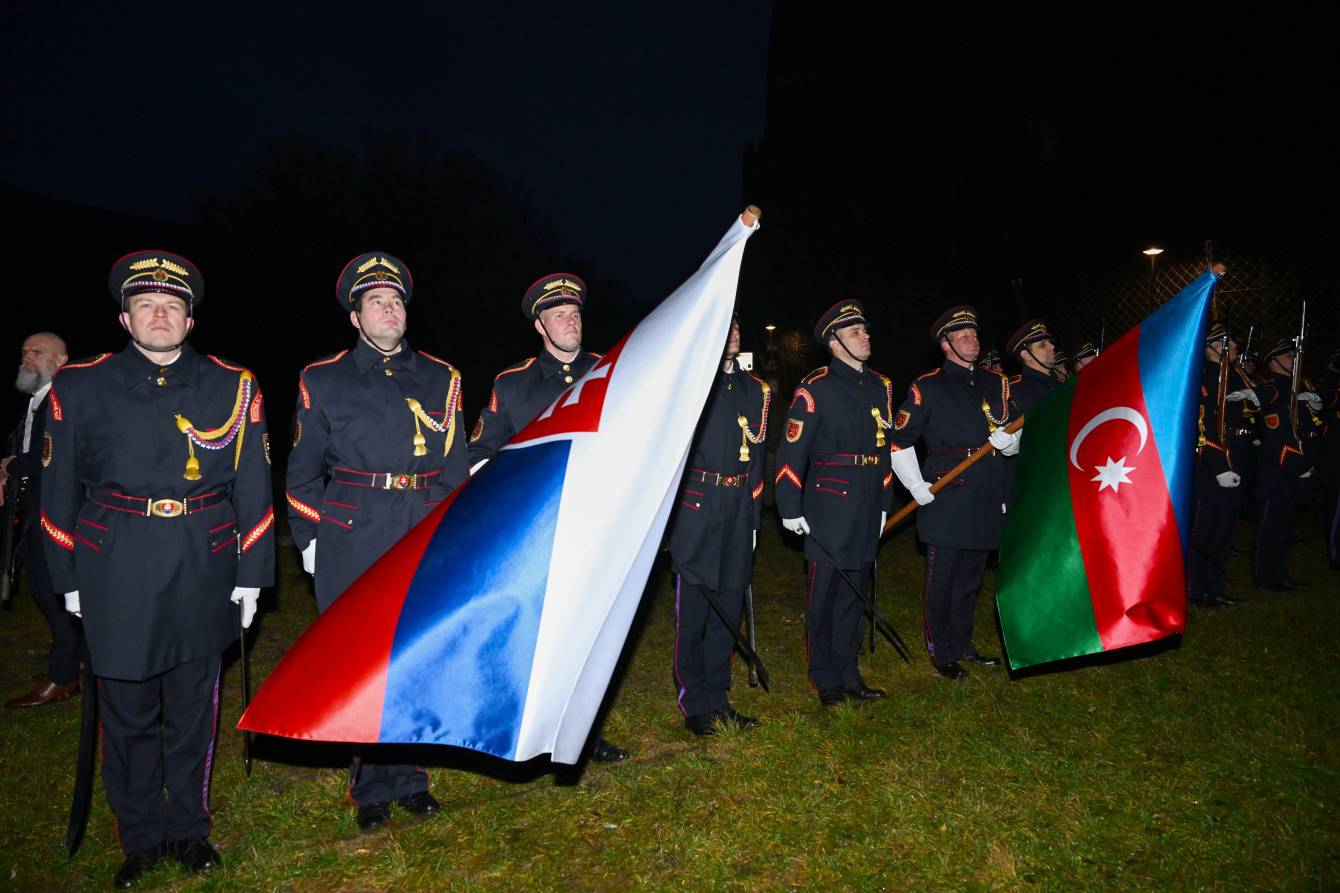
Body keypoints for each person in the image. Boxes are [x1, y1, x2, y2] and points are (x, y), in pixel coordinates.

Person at [41, 251, 274, 887]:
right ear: (125, 318)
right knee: (128, 711)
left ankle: (189, 830)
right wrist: (68, 578)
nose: (160, 315)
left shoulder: (234, 385)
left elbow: (254, 484)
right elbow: (57, 493)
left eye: (173, 306)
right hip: (114, 561)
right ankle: (140, 837)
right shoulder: (80, 386)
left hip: (204, 557)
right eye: (146, 305)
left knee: (194, 709)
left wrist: (252, 572)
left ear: (190, 321)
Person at [285, 251, 468, 831]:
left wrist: (449, 534)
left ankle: (411, 778)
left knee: (413, 654)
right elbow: (302, 474)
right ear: (355, 317)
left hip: (419, 526)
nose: (388, 309)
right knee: (360, 658)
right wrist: (311, 539)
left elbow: (454, 470)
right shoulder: (323, 379)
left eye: (395, 301)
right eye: (375, 302)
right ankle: (369, 787)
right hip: (352, 532)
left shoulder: (441, 378)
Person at [466, 273, 629, 762]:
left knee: (590, 632)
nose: (570, 322)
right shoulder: (512, 384)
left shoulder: (611, 370)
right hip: (537, 530)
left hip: (596, 524)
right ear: (540, 326)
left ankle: (584, 733)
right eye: (559, 315)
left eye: (575, 314)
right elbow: (480, 453)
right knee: (536, 635)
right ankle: (527, 730)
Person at [774, 300, 894, 706]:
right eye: (855, 331)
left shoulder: (881, 386)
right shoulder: (815, 388)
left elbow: (883, 448)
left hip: (868, 500)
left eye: (865, 329)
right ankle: (825, 677)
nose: (865, 335)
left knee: (854, 594)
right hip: (830, 503)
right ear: (835, 342)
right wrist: (790, 506)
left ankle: (849, 672)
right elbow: (790, 453)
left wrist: (884, 500)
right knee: (825, 596)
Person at [888, 306, 1016, 679]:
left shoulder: (997, 382)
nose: (972, 341)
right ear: (946, 345)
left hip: (987, 494)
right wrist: (915, 484)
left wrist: (1010, 442)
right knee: (942, 580)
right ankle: (941, 650)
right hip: (948, 495)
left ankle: (962, 643)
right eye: (962, 336)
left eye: (974, 334)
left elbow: (1016, 428)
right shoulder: (928, 386)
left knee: (971, 580)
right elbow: (898, 441)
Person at [666, 313, 768, 735]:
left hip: (738, 506)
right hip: (697, 505)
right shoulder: (689, 385)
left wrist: (755, 516)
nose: (734, 333)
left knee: (728, 606)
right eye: (726, 325)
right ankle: (694, 703)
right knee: (694, 609)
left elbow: (758, 457)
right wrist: (669, 519)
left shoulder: (755, 389)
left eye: (738, 326)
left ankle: (718, 697)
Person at [3, 332, 84, 708]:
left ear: (61, 360)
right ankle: (75, 660)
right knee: (45, 590)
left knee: (54, 592)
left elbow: (53, 458)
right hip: (36, 507)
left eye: (37, 353)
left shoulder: (62, 400)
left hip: (58, 512)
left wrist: (14, 465)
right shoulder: (37, 400)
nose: (27, 358)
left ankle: (64, 677)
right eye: (24, 352)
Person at [1188, 324, 1255, 607]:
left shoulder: (1235, 375)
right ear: (1213, 347)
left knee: (1224, 531)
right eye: (1230, 342)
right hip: (1211, 466)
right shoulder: (1204, 378)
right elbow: (1202, 427)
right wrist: (1219, 468)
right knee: (1204, 532)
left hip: (1236, 458)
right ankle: (1194, 590)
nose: (1236, 346)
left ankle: (1214, 589)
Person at [1250, 337, 1321, 591]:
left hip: (1297, 469)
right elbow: (1277, 436)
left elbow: (1309, 429)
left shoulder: (1297, 388)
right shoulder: (1271, 391)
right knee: (1269, 526)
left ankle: (1279, 574)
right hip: (1278, 470)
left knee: (1285, 527)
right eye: (1289, 356)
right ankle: (1263, 576)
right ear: (1274, 361)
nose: (1294, 360)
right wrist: (1300, 465)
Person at [1005, 319, 1058, 415]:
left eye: (1049, 342)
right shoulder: (1017, 392)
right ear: (1027, 355)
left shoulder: (1060, 381)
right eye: (1043, 345)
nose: (1052, 346)